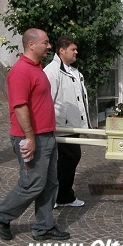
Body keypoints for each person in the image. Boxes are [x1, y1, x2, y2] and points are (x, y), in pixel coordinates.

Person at [0, 28, 70, 241]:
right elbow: (20, 106)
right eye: (46, 42)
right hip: (32, 138)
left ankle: (44, 226)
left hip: (46, 136)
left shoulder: (36, 68)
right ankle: (1, 214)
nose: (49, 46)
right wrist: (30, 137)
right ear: (31, 45)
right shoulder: (20, 72)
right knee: (31, 184)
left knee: (50, 183)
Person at [43, 36, 87, 208]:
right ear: (62, 50)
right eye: (73, 49)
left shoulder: (72, 71)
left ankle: (63, 195)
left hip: (71, 125)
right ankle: (55, 195)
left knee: (69, 158)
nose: (76, 52)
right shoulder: (52, 71)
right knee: (68, 158)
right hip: (61, 126)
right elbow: (47, 100)